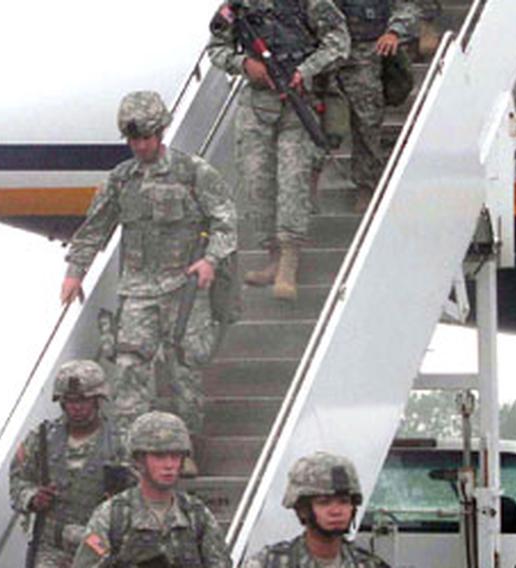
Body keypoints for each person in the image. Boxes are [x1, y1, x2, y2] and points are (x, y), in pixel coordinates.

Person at [59, 91, 237, 443]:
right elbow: (94, 228)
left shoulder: (192, 172)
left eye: (145, 138)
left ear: (160, 133)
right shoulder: (122, 180)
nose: (140, 146)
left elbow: (226, 221)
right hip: (138, 291)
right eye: (133, 140)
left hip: (184, 287)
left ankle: (185, 448)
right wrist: (74, 272)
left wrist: (210, 260)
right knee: (128, 369)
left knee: (186, 370)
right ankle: (133, 453)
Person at [208, 0, 350, 301]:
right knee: (256, 181)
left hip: (298, 103)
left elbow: (339, 41)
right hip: (257, 105)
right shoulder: (238, 7)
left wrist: (305, 70)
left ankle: (289, 260)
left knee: (292, 180)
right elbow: (216, 49)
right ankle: (272, 254)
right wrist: (245, 65)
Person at [10, 360, 130, 568]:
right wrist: (32, 497)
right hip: (51, 548)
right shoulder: (41, 438)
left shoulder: (121, 441)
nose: (77, 407)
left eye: (83, 400)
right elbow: (17, 479)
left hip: (100, 549)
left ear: (97, 400)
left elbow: (141, 492)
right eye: (70, 401)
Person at [72, 411, 231, 568]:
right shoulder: (112, 516)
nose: (169, 465)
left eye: (175, 456)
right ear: (139, 460)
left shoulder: (197, 516)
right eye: (159, 456)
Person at [334, 0, 418, 212]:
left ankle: (367, 187)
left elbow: (406, 7)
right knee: (312, 123)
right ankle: (308, 191)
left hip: (365, 53)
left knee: (367, 122)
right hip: (322, 55)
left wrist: (394, 32)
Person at [241, 451, 389, 568]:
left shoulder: (369, 564)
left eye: (344, 502)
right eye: (324, 503)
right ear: (303, 510)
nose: (336, 511)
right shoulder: (267, 563)